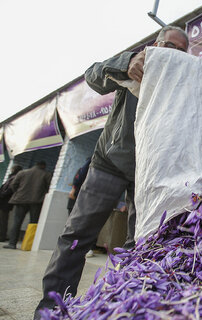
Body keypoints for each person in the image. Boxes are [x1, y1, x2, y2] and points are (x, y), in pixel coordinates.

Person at [34, 26, 189, 317]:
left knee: (139, 243)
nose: (174, 54)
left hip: (149, 173)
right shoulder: (137, 65)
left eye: (182, 51)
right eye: (170, 46)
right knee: (77, 235)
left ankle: (128, 305)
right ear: (157, 44)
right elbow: (93, 75)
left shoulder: (182, 83)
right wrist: (126, 62)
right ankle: (51, 308)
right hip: (111, 162)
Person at [3, 161, 51, 249]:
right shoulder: (46, 174)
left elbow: (13, 185)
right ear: (43, 166)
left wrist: (18, 193)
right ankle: (27, 245)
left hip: (20, 200)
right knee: (33, 223)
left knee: (17, 222)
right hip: (36, 202)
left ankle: (12, 244)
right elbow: (49, 187)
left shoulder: (22, 173)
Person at [0, 165, 23, 242]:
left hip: (5, 201)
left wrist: (2, 194)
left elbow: (10, 189)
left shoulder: (14, 178)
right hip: (5, 201)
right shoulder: (12, 177)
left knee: (3, 219)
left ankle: (2, 236)